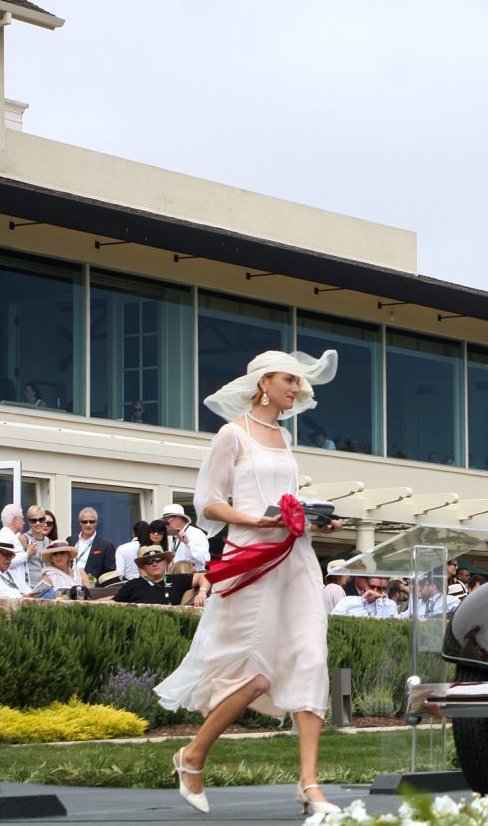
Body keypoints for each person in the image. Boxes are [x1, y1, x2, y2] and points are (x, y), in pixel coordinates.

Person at [154, 349, 342, 817]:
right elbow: (209, 503)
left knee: (312, 658)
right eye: (288, 380)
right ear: (263, 382)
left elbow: (286, 502)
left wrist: (313, 521)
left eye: (298, 383)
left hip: (296, 558)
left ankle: (309, 784)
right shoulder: (230, 435)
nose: (295, 389)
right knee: (255, 674)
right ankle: (192, 756)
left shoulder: (284, 437)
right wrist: (257, 522)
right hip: (251, 559)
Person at [114, 545, 209, 606]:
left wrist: (202, 592)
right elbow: (113, 604)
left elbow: (205, 576)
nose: (154, 564)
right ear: (143, 567)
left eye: (158, 559)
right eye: (149, 561)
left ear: (165, 562)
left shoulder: (177, 580)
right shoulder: (132, 584)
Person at [71, 507, 116, 583]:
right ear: (80, 523)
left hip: (91, 588)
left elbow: (109, 573)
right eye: (84, 522)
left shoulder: (106, 545)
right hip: (70, 583)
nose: (88, 525)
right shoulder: (70, 541)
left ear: (96, 523)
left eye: (91, 521)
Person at [0, 503, 31, 589]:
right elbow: (2, 563)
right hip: (9, 588)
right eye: (22, 519)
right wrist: (27, 554)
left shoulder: (11, 536)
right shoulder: (4, 536)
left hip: (17, 588)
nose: (24, 523)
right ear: (14, 519)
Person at [163, 504, 209, 573]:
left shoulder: (196, 533)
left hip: (193, 577)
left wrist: (188, 543)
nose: (166, 526)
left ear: (178, 518)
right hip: (179, 578)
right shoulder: (176, 538)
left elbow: (205, 559)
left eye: (167, 523)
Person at [332, 576, 398, 617]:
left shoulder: (390, 605)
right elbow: (334, 621)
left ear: (386, 590)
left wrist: (381, 598)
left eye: (380, 588)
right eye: (372, 587)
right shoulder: (348, 601)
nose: (375, 591)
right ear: (366, 586)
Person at [24, 505, 55, 580]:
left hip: (46, 584)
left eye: (41, 520)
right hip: (29, 585)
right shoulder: (24, 538)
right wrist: (28, 554)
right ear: (29, 522)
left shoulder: (49, 541)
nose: (38, 523)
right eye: (34, 520)